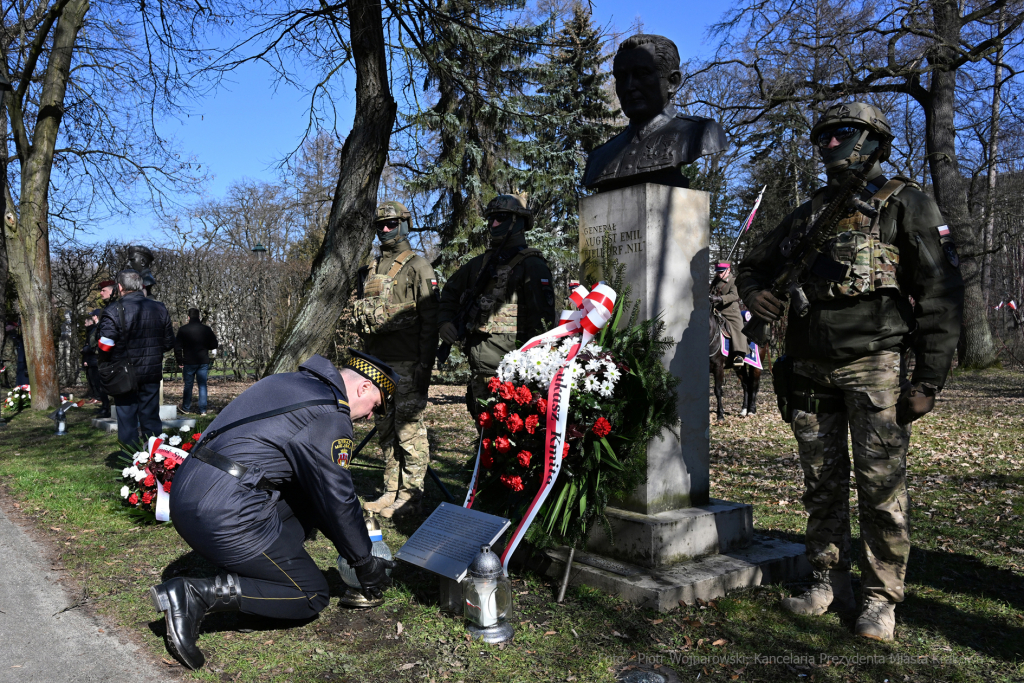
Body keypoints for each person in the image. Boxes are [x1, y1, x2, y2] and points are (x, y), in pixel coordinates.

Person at [736, 102, 964, 641]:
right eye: (822, 136)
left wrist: (929, 379)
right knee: (822, 484)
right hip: (809, 370)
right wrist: (754, 293)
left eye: (840, 133)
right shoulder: (810, 212)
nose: (828, 144)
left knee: (881, 489)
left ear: (871, 140)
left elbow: (940, 293)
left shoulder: (907, 203)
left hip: (874, 366)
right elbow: (753, 265)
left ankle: (881, 598)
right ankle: (828, 579)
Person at [152, 351, 399, 670]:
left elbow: (318, 497)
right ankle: (194, 595)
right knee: (310, 594)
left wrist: (352, 549)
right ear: (364, 388)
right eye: (375, 407)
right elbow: (337, 497)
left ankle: (259, 596)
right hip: (221, 511)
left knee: (305, 498)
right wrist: (363, 562)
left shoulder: (288, 382)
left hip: (189, 493)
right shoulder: (329, 413)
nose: (368, 418)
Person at [354, 201, 439, 519]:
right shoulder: (370, 270)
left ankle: (410, 498)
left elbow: (431, 321)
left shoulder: (418, 266)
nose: (386, 229)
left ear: (405, 224)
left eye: (391, 223)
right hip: (377, 366)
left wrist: (424, 365)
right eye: (381, 225)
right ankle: (390, 491)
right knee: (386, 431)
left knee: (409, 432)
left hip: (408, 363)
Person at [438, 194, 557, 419]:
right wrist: (444, 322)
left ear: (518, 221)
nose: (493, 224)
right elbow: (449, 293)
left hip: (513, 378)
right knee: (483, 437)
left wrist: (531, 377)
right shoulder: (478, 265)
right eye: (490, 219)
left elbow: (542, 326)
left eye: (500, 218)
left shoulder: (532, 266)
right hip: (480, 375)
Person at [582, 33, 726, 192]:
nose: (629, 87)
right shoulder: (599, 157)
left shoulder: (701, 133)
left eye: (641, 74)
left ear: (672, 82)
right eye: (621, 77)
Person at [97, 269, 175, 446]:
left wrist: (109, 357)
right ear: (141, 286)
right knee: (151, 418)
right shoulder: (159, 308)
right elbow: (169, 342)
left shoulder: (113, 310)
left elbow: (105, 345)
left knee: (127, 421)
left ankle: (129, 458)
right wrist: (152, 354)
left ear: (119, 287)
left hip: (124, 373)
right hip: (151, 372)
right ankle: (155, 459)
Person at [175, 308, 219, 415]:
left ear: (188, 317)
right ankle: (203, 410)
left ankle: (186, 408)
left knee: (188, 385)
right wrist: (205, 346)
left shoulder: (183, 330)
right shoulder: (206, 329)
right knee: (202, 385)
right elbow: (214, 344)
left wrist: (180, 361)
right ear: (199, 317)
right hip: (203, 361)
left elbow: (177, 347)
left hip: (188, 361)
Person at [710, 262, 748, 361]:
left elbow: (734, 295)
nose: (719, 274)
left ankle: (739, 354)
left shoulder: (734, 281)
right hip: (715, 310)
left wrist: (720, 299)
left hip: (730, 312)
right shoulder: (715, 281)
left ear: (728, 270)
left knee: (738, 328)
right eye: (718, 272)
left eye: (721, 272)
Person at [81, 310, 110, 417]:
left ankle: (105, 407)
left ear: (96, 317)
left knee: (100, 383)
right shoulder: (97, 328)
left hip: (99, 358)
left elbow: (95, 343)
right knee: (97, 383)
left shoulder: (100, 327)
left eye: (93, 316)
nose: (92, 318)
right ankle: (104, 406)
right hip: (97, 358)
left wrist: (87, 348)